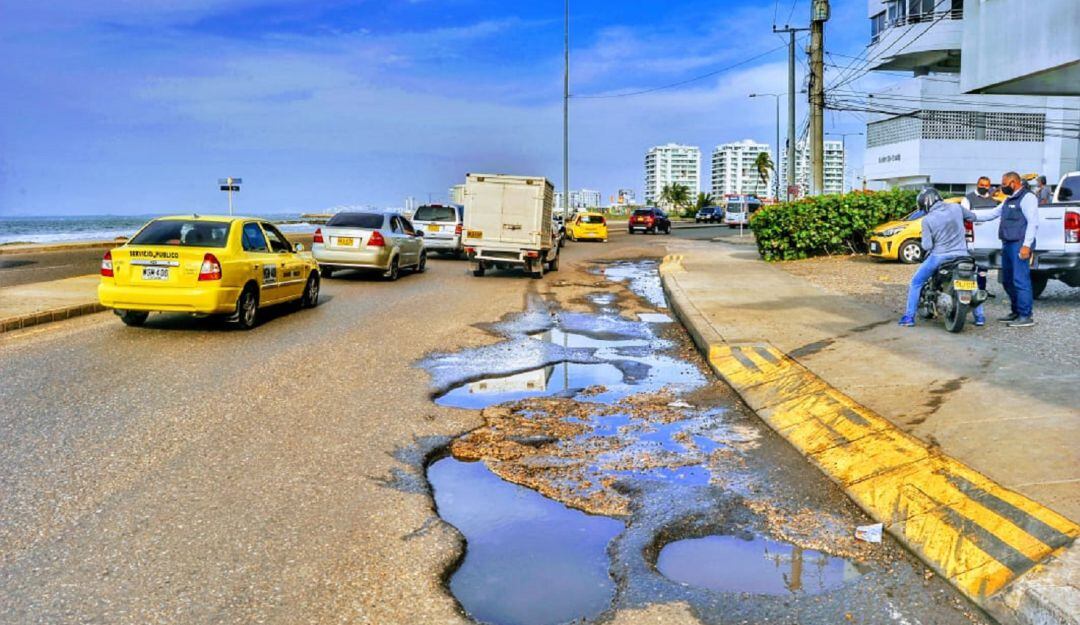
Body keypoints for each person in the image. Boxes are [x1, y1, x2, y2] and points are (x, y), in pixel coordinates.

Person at [899, 188, 985, 327]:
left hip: (940, 256)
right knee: (972, 282)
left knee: (916, 282)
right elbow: (974, 217)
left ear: (925, 203)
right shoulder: (957, 208)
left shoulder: (927, 220)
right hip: (963, 255)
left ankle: (909, 317)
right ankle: (980, 317)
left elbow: (927, 246)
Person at [967, 171, 1039, 327]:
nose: (1002, 187)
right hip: (1007, 243)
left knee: (1020, 280)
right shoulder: (1008, 199)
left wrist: (1026, 245)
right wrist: (970, 215)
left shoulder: (1028, 198)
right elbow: (992, 214)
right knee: (1007, 280)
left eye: (1004, 184)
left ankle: (1026, 315)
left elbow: (1033, 223)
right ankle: (1016, 311)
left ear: (1014, 183)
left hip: (1020, 244)